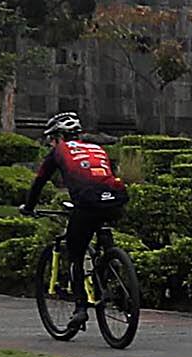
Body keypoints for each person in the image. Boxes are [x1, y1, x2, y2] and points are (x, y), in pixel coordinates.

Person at [21, 114, 127, 289]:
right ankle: (112, 263)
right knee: (101, 222)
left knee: (75, 254)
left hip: (87, 203)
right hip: (116, 198)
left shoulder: (58, 151)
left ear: (60, 137)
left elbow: (39, 182)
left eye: (52, 139)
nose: (51, 144)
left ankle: (80, 307)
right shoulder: (96, 148)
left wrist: (29, 207)